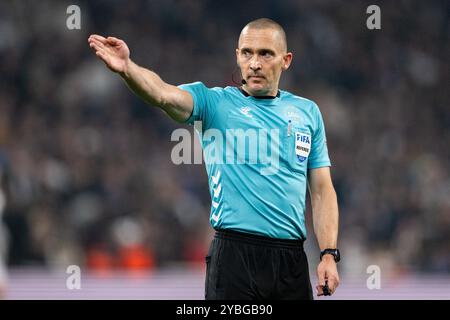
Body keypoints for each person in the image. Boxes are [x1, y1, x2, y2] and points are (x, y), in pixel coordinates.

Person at [88, 18, 340, 300]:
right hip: (234, 256)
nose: (254, 63)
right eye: (247, 52)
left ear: (286, 60)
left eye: (265, 53)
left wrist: (329, 253)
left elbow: (321, 190)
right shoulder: (213, 103)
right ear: (237, 55)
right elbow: (162, 94)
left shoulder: (307, 113)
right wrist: (128, 69)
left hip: (290, 260)